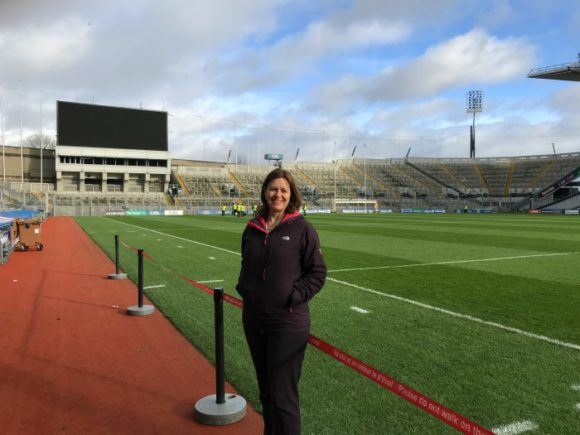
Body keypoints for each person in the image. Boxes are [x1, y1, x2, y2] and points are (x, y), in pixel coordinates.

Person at [236, 168, 326, 435]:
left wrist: (292, 296)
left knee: (283, 397)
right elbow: (246, 263)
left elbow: (318, 273)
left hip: (288, 323)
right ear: (265, 192)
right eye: (273, 189)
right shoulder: (252, 228)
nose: (278, 194)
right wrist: (245, 288)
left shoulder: (303, 229)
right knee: (266, 393)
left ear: (291, 195)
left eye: (283, 190)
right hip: (254, 320)